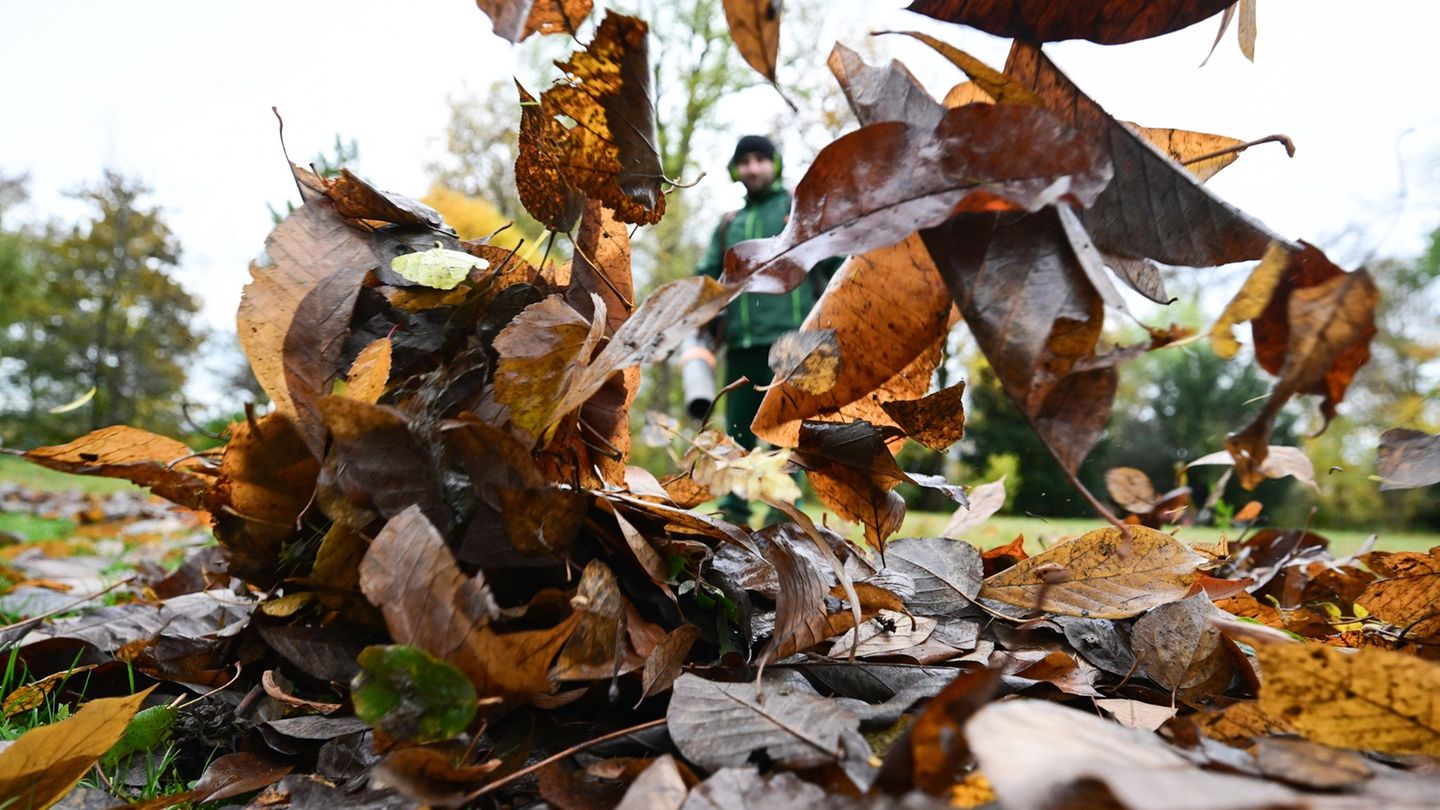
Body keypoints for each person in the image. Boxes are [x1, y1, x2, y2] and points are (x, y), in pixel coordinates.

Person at [694, 135, 839, 525]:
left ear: (774, 164)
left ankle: (784, 516)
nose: (753, 167)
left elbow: (836, 257)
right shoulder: (730, 225)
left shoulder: (798, 208)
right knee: (737, 434)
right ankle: (734, 516)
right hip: (740, 343)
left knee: (790, 433)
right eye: (744, 161)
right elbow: (706, 276)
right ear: (735, 170)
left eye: (760, 159)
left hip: (796, 340)